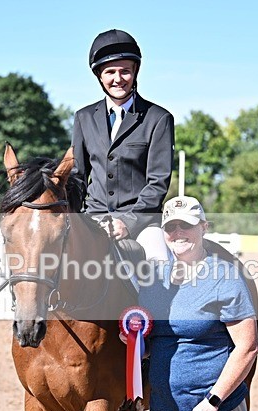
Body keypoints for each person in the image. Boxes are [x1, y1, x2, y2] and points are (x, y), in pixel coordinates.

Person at [136, 196, 258, 411]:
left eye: (186, 225)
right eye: (171, 227)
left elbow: (247, 347)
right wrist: (135, 342)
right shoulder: (155, 279)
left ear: (203, 227)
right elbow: (154, 339)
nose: (178, 233)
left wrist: (213, 401)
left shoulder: (225, 277)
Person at [72, 29, 174, 262]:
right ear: (99, 75)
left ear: (135, 71)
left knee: (158, 260)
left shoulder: (158, 118)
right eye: (110, 72)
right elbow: (77, 177)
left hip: (141, 223)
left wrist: (128, 222)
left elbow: (158, 182)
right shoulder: (83, 118)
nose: (118, 79)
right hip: (92, 219)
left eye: (125, 71)